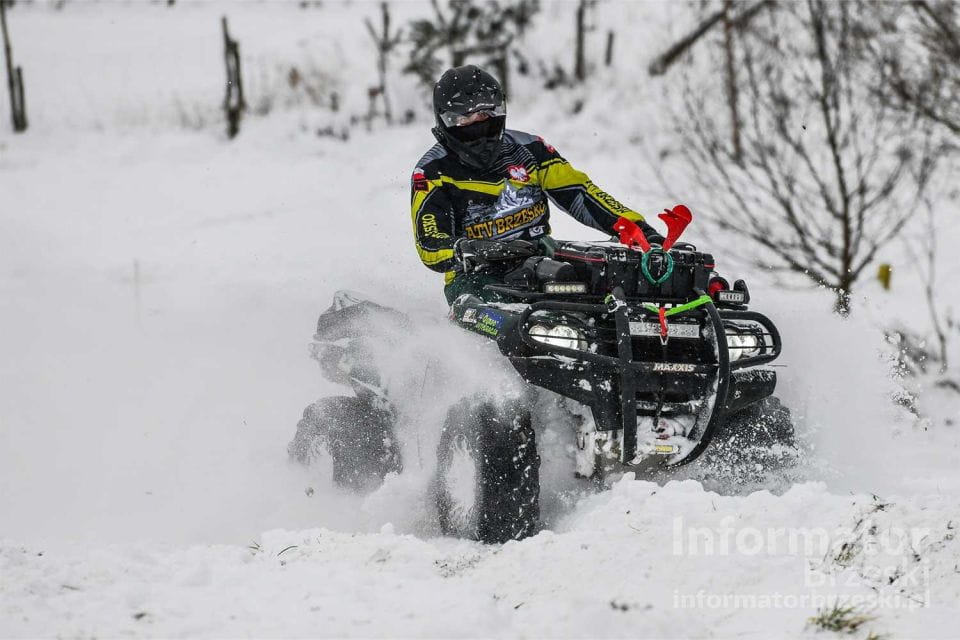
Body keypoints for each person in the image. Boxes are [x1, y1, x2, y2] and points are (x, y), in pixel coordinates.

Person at [410, 65, 664, 304]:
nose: (478, 125)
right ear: (446, 121)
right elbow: (429, 244)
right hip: (476, 276)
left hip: (542, 261)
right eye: (465, 119)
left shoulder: (531, 149)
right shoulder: (431, 172)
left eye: (485, 115)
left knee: (607, 288)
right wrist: (470, 249)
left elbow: (581, 193)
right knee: (512, 313)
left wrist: (638, 230)